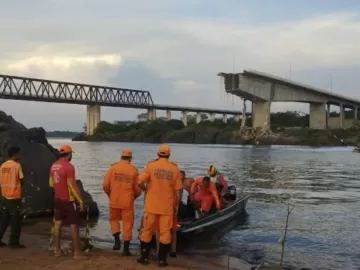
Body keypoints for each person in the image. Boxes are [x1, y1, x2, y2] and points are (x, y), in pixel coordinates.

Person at [137, 144, 183, 267]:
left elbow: (139, 181)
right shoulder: (174, 169)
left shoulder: (151, 166)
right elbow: (178, 192)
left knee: (146, 230)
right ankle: (162, 260)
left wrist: (145, 190)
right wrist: (177, 206)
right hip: (166, 207)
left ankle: (144, 257)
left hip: (151, 206)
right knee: (165, 233)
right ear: (169, 155)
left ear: (158, 154)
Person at [49, 145, 85, 259]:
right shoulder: (69, 167)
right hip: (68, 200)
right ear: (69, 154)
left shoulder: (54, 166)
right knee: (74, 226)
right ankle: (77, 253)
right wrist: (80, 201)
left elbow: (51, 183)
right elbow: (73, 186)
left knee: (58, 224)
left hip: (57, 199)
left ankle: (58, 251)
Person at [103, 149, 142, 256]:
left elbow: (105, 185)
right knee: (127, 224)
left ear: (121, 157)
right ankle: (125, 249)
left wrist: (109, 195)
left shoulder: (113, 168)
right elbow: (138, 189)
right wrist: (134, 197)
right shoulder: (133, 170)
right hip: (127, 202)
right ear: (130, 158)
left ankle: (116, 241)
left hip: (114, 200)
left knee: (114, 220)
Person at [0, 146, 25, 248]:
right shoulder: (17, 166)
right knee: (16, 220)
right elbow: (22, 180)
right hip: (14, 196)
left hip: (5, 195)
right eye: (19, 153)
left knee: (4, 219)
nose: (20, 155)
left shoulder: (3, 166)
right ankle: (14, 242)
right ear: (15, 154)